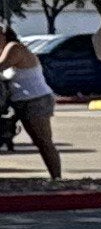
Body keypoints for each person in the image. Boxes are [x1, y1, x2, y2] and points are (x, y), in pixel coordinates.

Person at [1, 28, 57, 183]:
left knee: (43, 141)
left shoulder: (14, 47)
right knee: (37, 140)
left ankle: (57, 177)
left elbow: (2, 65)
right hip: (18, 102)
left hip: (36, 99)